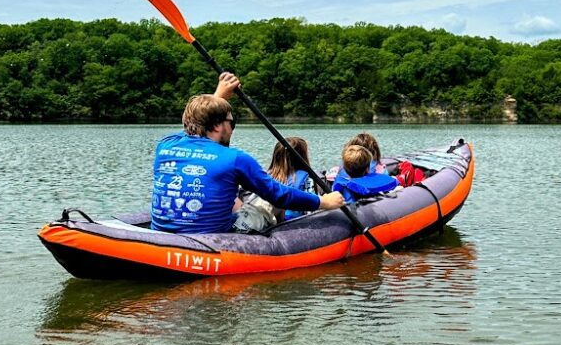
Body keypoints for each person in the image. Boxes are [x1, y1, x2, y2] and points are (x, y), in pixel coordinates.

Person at [151, 73, 344, 234]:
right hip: (213, 235)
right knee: (266, 202)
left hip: (164, 233)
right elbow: (279, 195)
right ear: (218, 125)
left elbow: (194, 123)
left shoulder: (165, 145)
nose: (232, 129)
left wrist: (218, 97)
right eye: (231, 123)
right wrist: (322, 201)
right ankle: (280, 232)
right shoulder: (235, 159)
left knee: (233, 197)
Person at [237, 136, 317, 230]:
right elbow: (311, 212)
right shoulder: (307, 179)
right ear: (302, 157)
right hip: (293, 223)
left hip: (270, 223)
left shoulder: (266, 177)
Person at [332, 141, 401, 202]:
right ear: (368, 169)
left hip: (347, 208)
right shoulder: (368, 186)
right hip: (366, 208)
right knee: (399, 188)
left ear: (345, 168)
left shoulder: (341, 183)